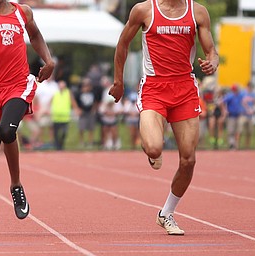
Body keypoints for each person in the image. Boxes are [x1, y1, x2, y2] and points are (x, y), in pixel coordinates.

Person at [109, 0, 219, 235]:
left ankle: (166, 213)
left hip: (185, 90)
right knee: (154, 148)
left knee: (188, 159)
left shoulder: (197, 12)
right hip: (154, 89)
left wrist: (213, 61)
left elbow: (211, 50)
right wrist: (118, 82)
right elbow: (122, 44)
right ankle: (151, 148)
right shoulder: (144, 10)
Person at [0, 0, 54, 224]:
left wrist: (49, 60)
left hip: (17, 84)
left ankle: (16, 185)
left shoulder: (23, 12)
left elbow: (35, 36)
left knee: (7, 131)